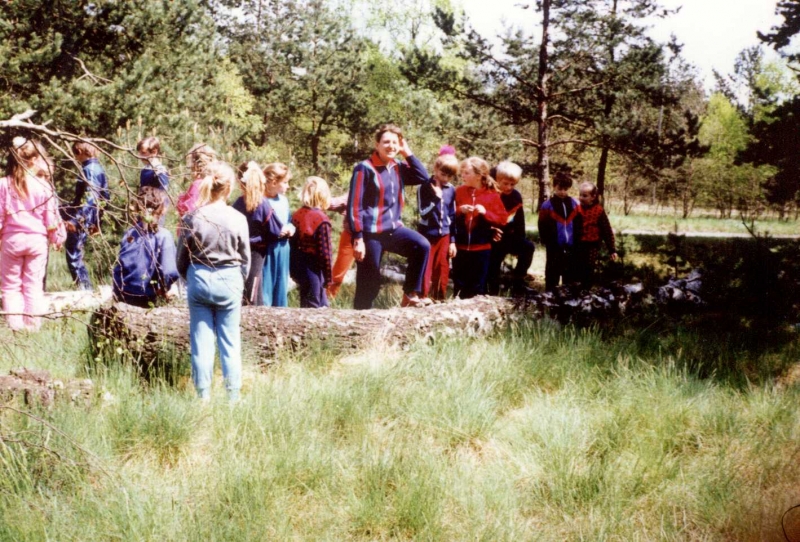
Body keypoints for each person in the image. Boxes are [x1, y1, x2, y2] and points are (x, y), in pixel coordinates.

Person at [177, 162, 250, 402]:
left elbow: (181, 256)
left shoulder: (192, 217)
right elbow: (245, 258)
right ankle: (233, 396)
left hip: (199, 278)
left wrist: (189, 276)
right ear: (229, 188)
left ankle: (203, 397)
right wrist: (240, 279)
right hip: (229, 279)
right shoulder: (238, 218)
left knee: (202, 341)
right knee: (230, 341)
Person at [346, 123, 432, 309]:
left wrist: (407, 152)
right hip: (371, 234)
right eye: (386, 142)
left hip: (393, 229)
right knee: (370, 282)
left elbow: (423, 177)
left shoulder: (398, 167)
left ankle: (410, 293)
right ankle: (360, 318)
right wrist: (358, 238)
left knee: (422, 245)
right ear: (377, 145)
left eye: (395, 142)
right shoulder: (364, 168)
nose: (391, 146)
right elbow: (354, 205)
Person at [0, 137, 64, 331]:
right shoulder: (44, 185)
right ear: (35, 159)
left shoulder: (3, 184)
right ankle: (33, 327)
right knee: (33, 286)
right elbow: (51, 217)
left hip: (12, 241)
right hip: (37, 241)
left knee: (11, 287)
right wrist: (57, 238)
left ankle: (16, 327)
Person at [112, 186, 179, 308]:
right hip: (146, 296)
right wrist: (164, 288)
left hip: (123, 292)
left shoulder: (129, 234)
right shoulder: (163, 236)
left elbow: (120, 266)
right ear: (162, 210)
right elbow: (169, 272)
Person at [452, 156, 507, 299]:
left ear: (478, 176)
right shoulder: (459, 191)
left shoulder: (491, 195)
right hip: (460, 248)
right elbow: (449, 213)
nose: (462, 175)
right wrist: (459, 210)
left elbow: (502, 219)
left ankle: (477, 319)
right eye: (462, 172)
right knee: (459, 287)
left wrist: (485, 213)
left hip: (481, 250)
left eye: (466, 173)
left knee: (477, 288)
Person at [232, 161, 283, 306]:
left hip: (239, 248)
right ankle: (253, 308)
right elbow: (275, 229)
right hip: (256, 251)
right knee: (254, 282)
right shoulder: (263, 205)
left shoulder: (238, 204)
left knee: (244, 281)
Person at [61, 140, 109, 290]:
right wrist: (97, 221)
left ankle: (84, 290)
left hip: (82, 218)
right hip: (87, 216)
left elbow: (92, 198)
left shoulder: (90, 169)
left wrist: (76, 221)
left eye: (75, 154)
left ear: (80, 152)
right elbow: (105, 197)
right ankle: (84, 288)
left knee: (74, 254)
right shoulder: (95, 167)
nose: (75, 157)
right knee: (76, 253)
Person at [488, 161, 535, 296]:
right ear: (497, 180)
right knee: (494, 263)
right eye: (505, 183)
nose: (508, 187)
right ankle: (492, 290)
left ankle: (518, 279)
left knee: (528, 247)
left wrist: (520, 239)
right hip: (493, 237)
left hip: (510, 235)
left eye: (512, 184)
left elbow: (520, 222)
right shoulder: (491, 194)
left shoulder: (516, 196)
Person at [416, 153, 458, 300]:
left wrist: (452, 241)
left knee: (442, 268)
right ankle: (422, 298)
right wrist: (435, 198)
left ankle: (439, 299)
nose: (445, 178)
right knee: (425, 268)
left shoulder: (451, 189)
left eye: (449, 176)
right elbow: (422, 213)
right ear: (435, 168)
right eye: (443, 174)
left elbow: (452, 216)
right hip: (427, 235)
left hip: (444, 235)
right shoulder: (424, 187)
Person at [290, 176, 333, 308]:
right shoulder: (321, 220)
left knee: (308, 300)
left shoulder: (297, 215)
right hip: (314, 267)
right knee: (314, 305)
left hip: (299, 264)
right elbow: (325, 252)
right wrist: (328, 277)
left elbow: (292, 244)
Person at [538, 170, 580, 291]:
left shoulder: (575, 204)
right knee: (552, 272)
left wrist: (577, 240)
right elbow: (542, 224)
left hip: (571, 246)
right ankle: (550, 297)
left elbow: (578, 223)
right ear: (554, 186)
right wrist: (545, 240)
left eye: (566, 189)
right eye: (560, 189)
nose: (563, 192)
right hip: (554, 246)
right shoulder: (547, 205)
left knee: (569, 273)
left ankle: (568, 299)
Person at [262, 162, 295, 307]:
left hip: (283, 247)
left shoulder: (283, 200)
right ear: (274, 182)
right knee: (266, 286)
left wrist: (291, 227)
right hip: (267, 248)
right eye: (285, 182)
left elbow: (289, 220)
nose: (288, 186)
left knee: (281, 285)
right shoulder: (261, 200)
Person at [575, 181, 618, 289]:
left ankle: (586, 291)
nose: (581, 198)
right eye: (580, 195)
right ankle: (575, 292)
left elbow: (606, 230)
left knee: (588, 269)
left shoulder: (598, 211)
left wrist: (611, 249)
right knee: (576, 268)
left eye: (585, 196)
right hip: (578, 244)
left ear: (593, 197)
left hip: (592, 245)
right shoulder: (576, 209)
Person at [176, 143, 217, 217]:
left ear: (194, 164)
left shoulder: (197, 185)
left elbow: (188, 214)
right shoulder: (214, 182)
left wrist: (181, 199)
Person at [325, 191, 352, 301]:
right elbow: (334, 203)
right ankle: (327, 300)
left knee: (369, 273)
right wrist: (318, 196)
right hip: (350, 235)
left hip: (373, 238)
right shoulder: (357, 188)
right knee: (338, 274)